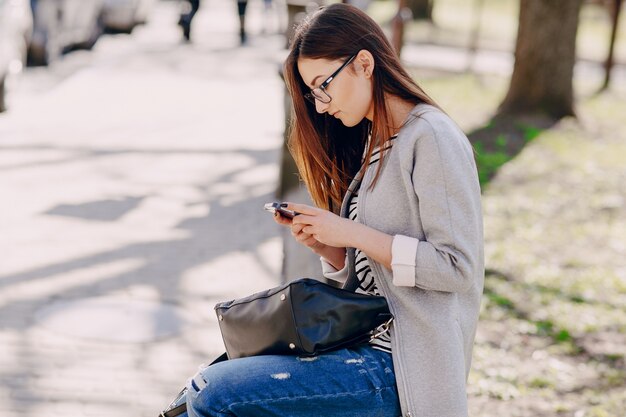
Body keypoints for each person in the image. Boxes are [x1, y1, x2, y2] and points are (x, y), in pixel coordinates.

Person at [181, 4, 484, 417]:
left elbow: (456, 267)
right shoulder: (377, 143)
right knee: (196, 392)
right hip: (362, 347)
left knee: (213, 394)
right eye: (312, 93)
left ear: (363, 64)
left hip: (403, 368)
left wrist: (350, 232)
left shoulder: (430, 137)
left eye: (323, 86)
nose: (320, 106)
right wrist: (334, 251)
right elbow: (375, 279)